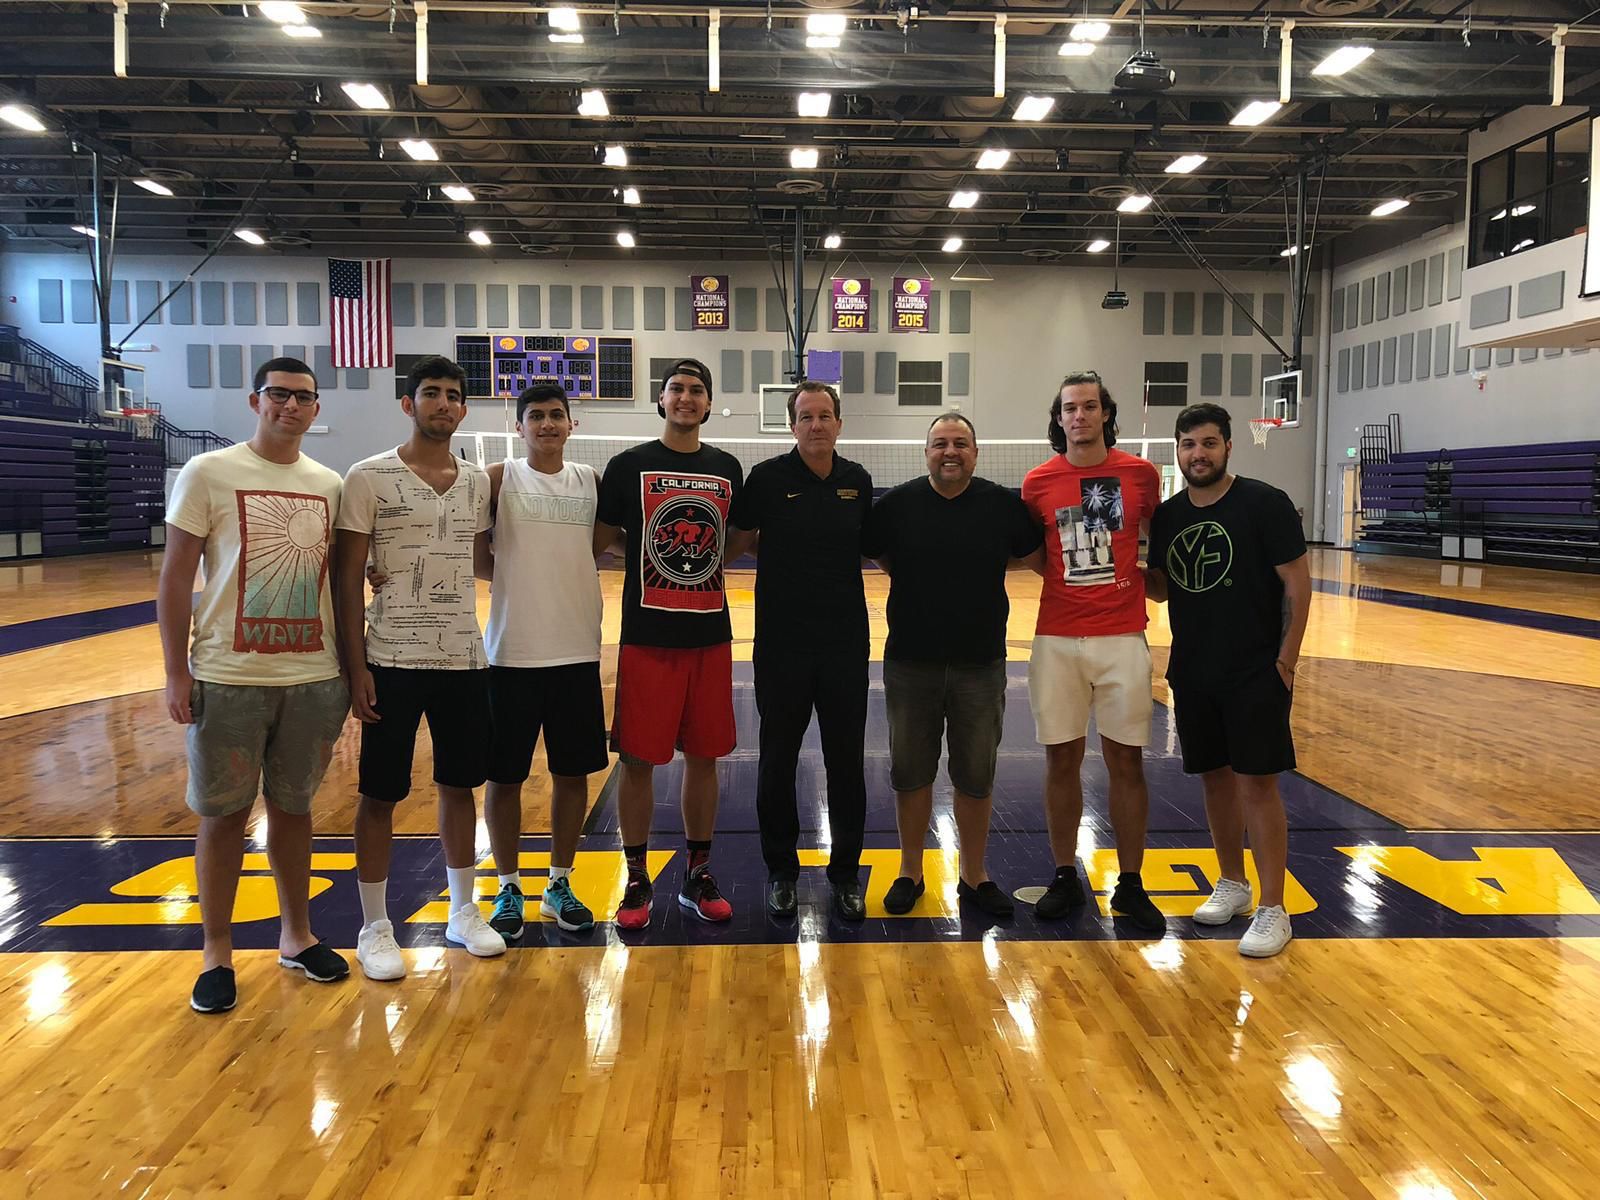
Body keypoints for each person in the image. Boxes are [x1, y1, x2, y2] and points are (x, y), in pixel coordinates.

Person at [158, 356, 351, 1014]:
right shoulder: (208, 472)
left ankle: (297, 936)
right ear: (255, 400)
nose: (290, 406)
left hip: (312, 676)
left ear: (316, 409)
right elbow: (175, 576)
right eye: (279, 394)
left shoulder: (329, 484)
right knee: (223, 817)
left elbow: (338, 579)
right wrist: (176, 670)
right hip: (228, 677)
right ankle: (216, 951)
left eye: (303, 397)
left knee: (295, 811)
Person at [335, 354, 504, 980]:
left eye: (453, 395)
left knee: (461, 787)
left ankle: (463, 910)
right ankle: (374, 926)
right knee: (380, 793)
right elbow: (347, 577)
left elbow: (480, 560)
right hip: (391, 658)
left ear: (464, 408)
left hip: (463, 656)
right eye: (431, 393)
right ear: (409, 404)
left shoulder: (478, 483)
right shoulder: (367, 476)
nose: (443, 404)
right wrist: (356, 667)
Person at [860, 412, 1043, 919]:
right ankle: (910, 871)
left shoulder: (1002, 505)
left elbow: (1031, 558)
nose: (950, 452)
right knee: (910, 772)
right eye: (940, 443)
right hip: (910, 663)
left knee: (975, 775)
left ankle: (974, 874)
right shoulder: (897, 505)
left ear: (975, 453)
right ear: (926, 452)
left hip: (980, 665)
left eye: (960, 443)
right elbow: (878, 555)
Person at [1145, 403, 1311, 958]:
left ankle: (1274, 908)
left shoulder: (1264, 503)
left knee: (1257, 785)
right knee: (1214, 780)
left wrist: (1286, 661)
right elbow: (1164, 588)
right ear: (1178, 450)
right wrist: (1112, 567)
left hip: (1255, 670)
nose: (1199, 454)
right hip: (1194, 670)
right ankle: (1233, 883)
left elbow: (1297, 584)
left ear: (1228, 447)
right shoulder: (1168, 516)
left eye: (1209, 443)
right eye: (1189, 444)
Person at [592, 358, 744, 928]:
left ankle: (697, 873)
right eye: (676, 388)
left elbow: (733, 540)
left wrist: (698, 561)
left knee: (704, 758)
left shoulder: (726, 467)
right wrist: (646, 553)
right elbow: (601, 540)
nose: (686, 397)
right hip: (646, 638)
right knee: (638, 762)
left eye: (696, 390)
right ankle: (636, 877)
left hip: (709, 637)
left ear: (708, 403)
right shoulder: (628, 465)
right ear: (661, 400)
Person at [1020, 371, 1166, 933]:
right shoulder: (1038, 482)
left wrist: (1143, 580)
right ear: (1058, 419)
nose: (1078, 416)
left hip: (1123, 637)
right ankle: (1064, 874)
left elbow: (1165, 538)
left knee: (1127, 762)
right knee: (1061, 760)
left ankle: (1130, 883)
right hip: (1057, 638)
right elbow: (1036, 552)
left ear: (1105, 413)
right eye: (1069, 408)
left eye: (1088, 406)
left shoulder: (1140, 474)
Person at [729, 381, 871, 922]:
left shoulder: (857, 480)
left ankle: (846, 875)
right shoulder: (766, 478)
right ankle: (781, 873)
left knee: (846, 762)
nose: (816, 424)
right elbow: (739, 542)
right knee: (778, 761)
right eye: (806, 416)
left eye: (825, 415)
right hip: (782, 646)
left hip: (844, 646)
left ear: (839, 423)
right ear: (792, 425)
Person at [480, 383, 606, 938]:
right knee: (504, 777)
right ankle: (508, 885)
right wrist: (517, 578)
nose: (548, 424)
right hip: (512, 653)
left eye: (557, 415)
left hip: (576, 649)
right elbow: (476, 555)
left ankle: (559, 883)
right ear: (519, 426)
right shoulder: (498, 478)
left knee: (571, 774)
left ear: (571, 424)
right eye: (536, 416)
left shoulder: (590, 481)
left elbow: (597, 546)